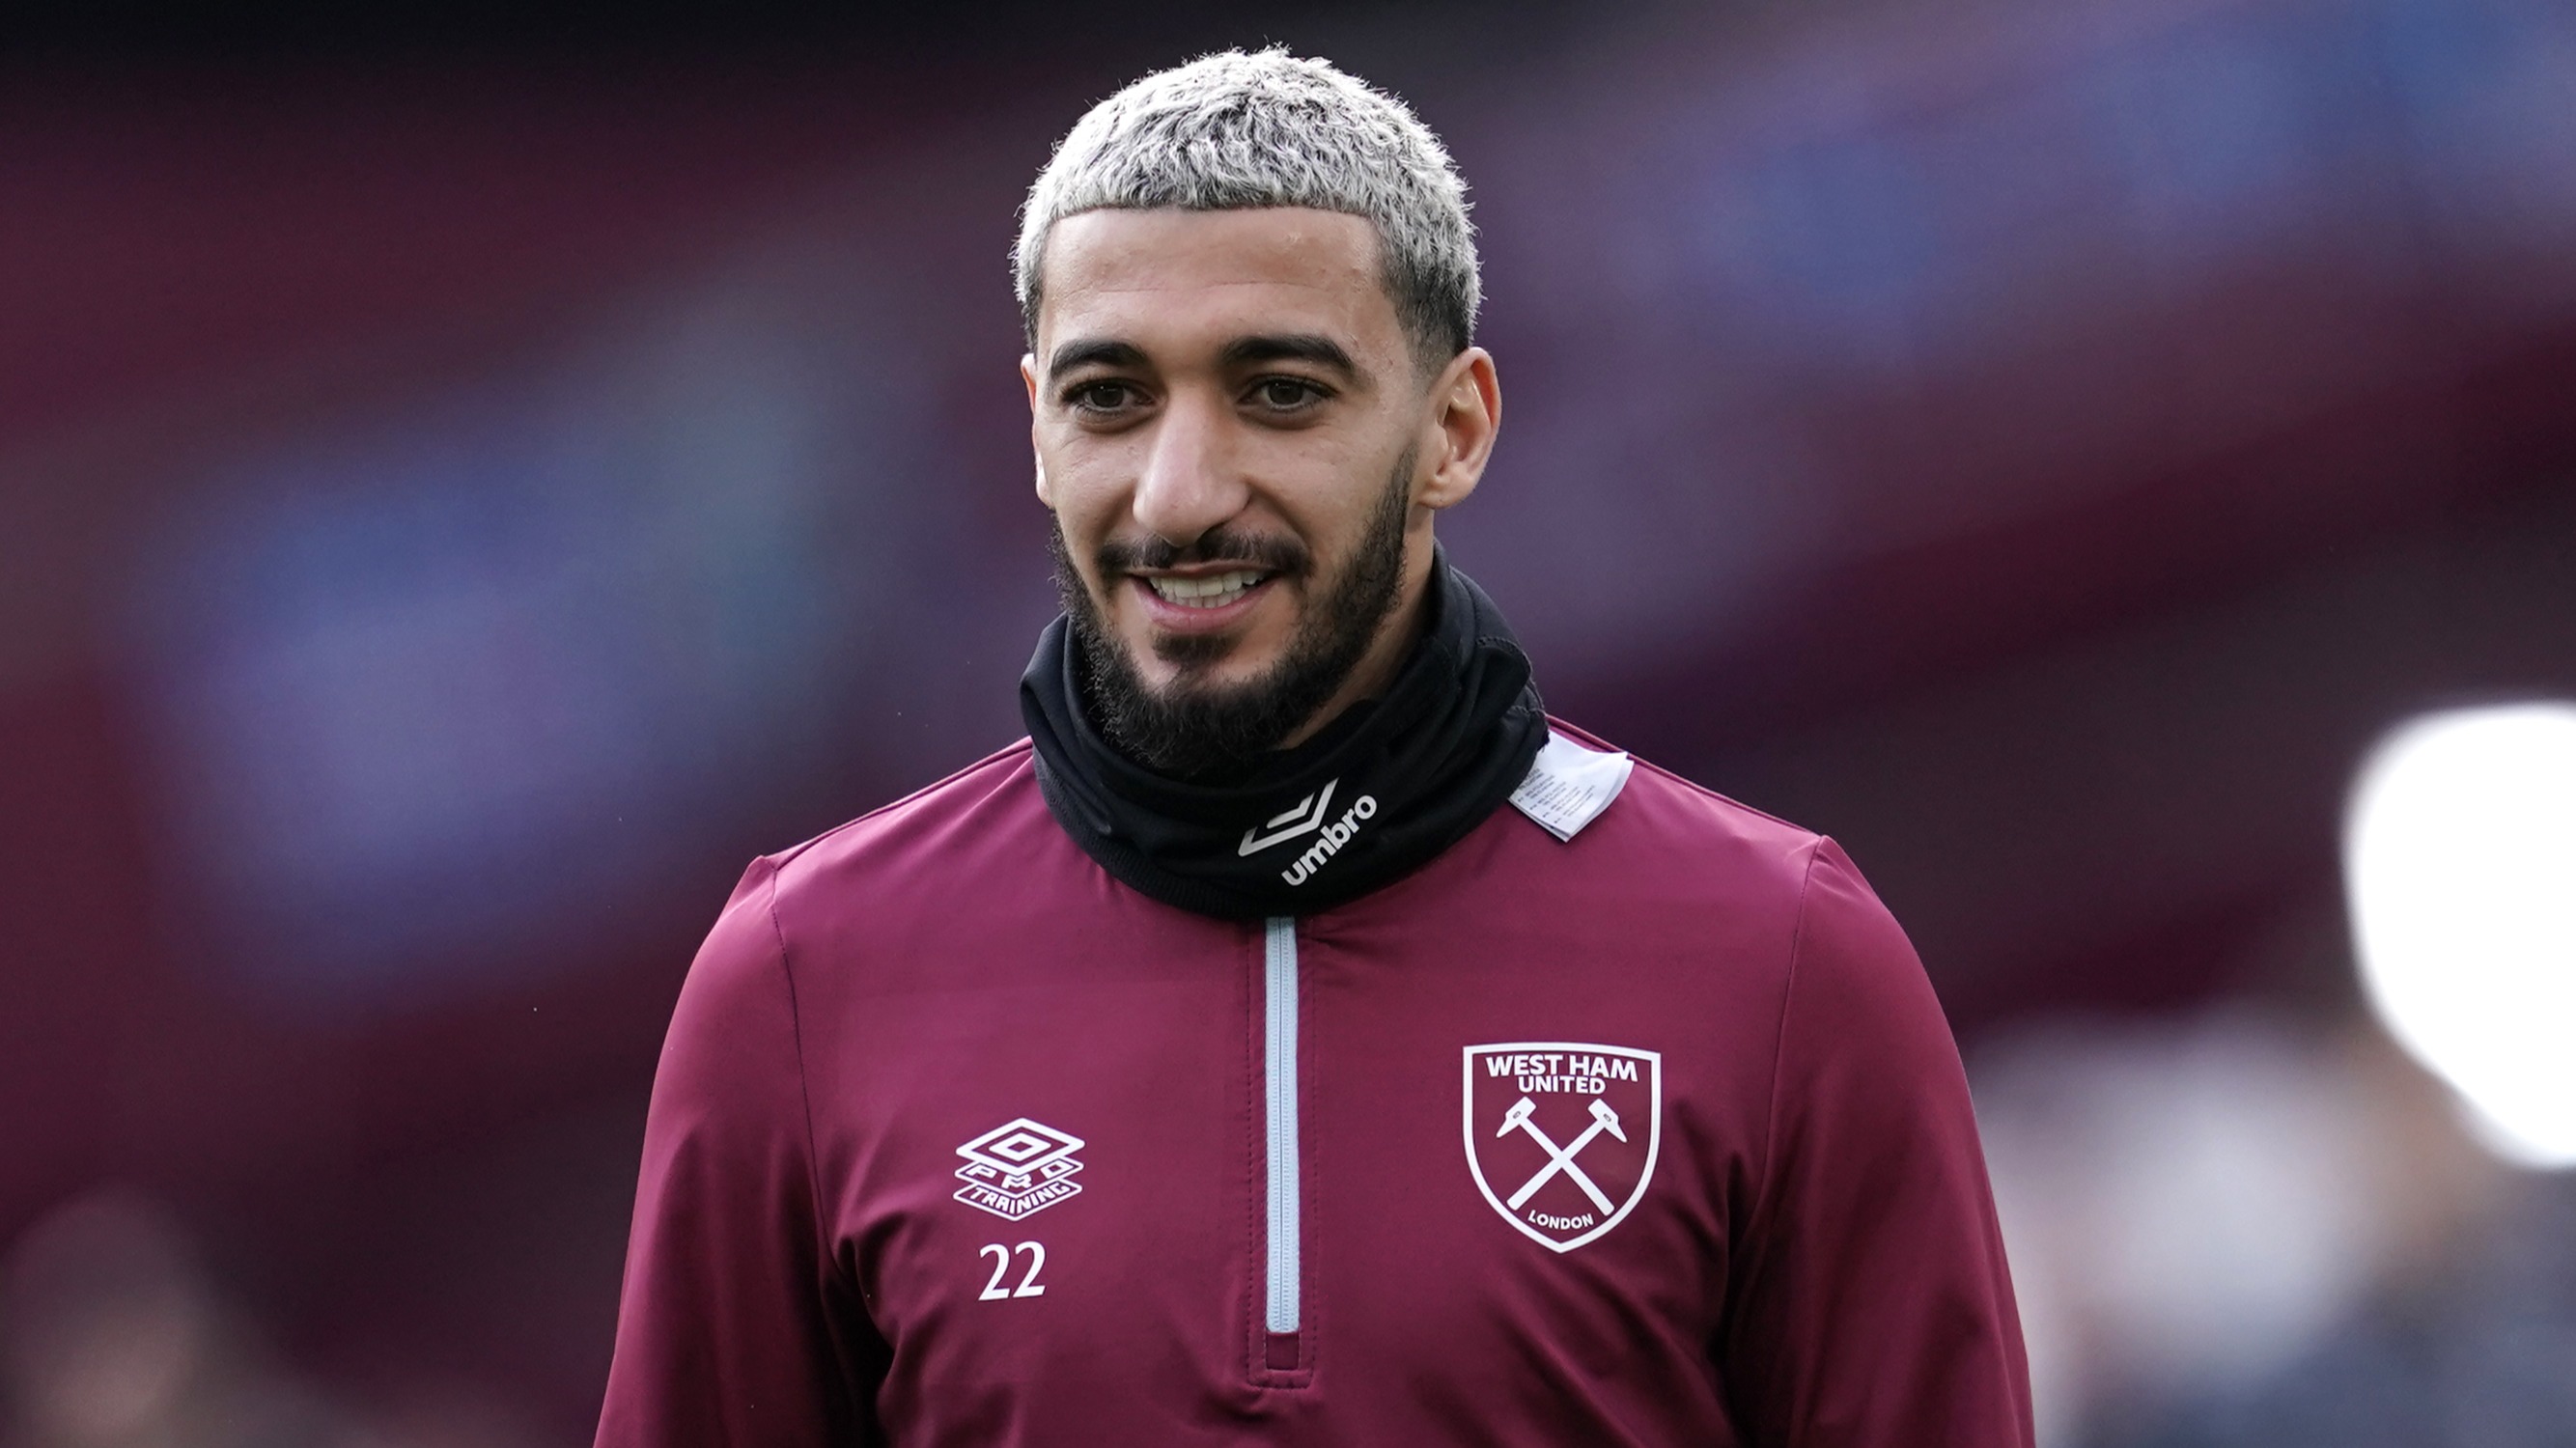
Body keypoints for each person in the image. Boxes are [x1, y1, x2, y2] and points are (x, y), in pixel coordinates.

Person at [594, 48, 2031, 1447]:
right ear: (1036, 429)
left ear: (1453, 429)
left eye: (1279, 391)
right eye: (1109, 398)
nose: (1181, 494)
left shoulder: (1781, 955)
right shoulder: (804, 976)